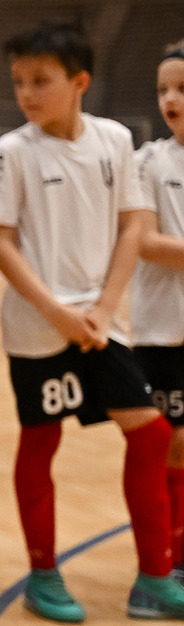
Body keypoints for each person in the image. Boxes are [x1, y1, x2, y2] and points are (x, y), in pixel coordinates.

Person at [0, 23, 184, 621]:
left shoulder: (115, 140)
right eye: (19, 82)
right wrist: (55, 311)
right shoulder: (12, 151)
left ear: (79, 83)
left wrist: (102, 306)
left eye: (40, 81)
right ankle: (43, 573)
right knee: (41, 439)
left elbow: (133, 226)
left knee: (150, 433)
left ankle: (153, 581)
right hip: (38, 328)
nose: (26, 93)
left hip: (100, 323)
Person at [130, 40, 184, 587]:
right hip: (164, 331)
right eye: (164, 89)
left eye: (183, 89)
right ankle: (168, 556)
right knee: (173, 442)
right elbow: (146, 243)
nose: (171, 99)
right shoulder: (147, 161)